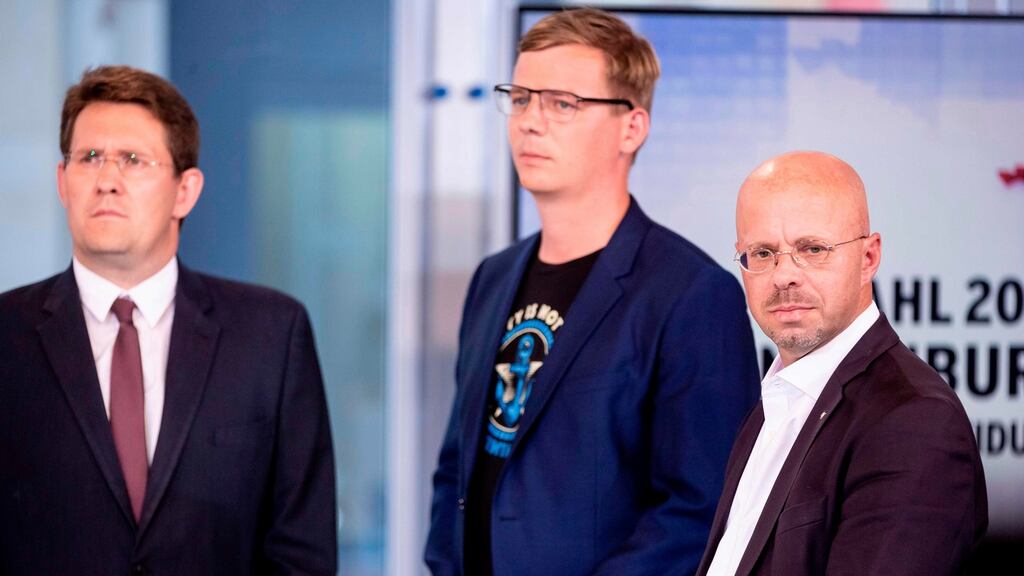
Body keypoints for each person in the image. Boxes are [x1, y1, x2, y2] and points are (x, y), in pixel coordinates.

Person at [424, 8, 760, 576]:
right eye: (521, 97)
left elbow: (701, 509)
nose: (531, 121)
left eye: (562, 103)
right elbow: (459, 468)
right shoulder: (492, 277)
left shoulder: (692, 294)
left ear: (632, 127)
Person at [0, 65, 336, 575]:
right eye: (89, 158)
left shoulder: (272, 336)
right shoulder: (8, 337)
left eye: (133, 160)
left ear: (186, 191)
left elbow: (301, 553)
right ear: (63, 182)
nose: (107, 180)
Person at [697, 151, 988, 576]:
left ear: (868, 257)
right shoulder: (774, 405)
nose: (783, 276)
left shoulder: (913, 423)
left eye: (812, 249)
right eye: (761, 253)